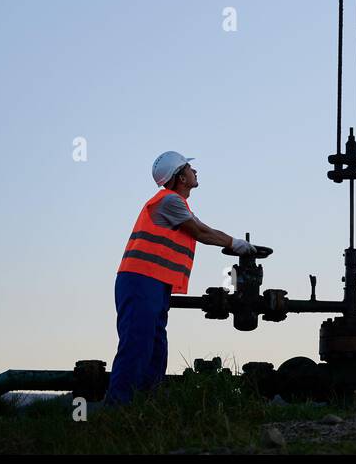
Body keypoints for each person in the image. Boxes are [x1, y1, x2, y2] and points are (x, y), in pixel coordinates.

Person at [105, 151, 261, 405]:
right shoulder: (169, 201)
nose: (195, 172)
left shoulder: (176, 204)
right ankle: (117, 409)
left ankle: (145, 408)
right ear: (180, 178)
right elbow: (200, 231)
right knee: (137, 345)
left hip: (154, 283)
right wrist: (236, 244)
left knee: (155, 349)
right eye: (189, 168)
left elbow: (202, 227)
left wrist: (234, 243)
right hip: (140, 280)